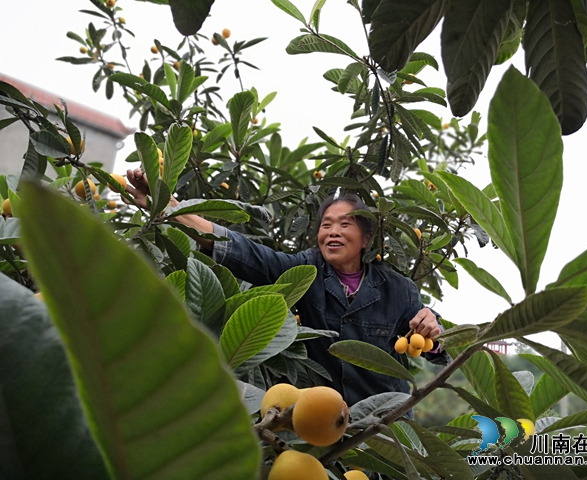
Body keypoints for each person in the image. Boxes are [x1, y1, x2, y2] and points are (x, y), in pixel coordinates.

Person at [125, 168, 450, 406]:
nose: (332, 232)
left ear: (366, 239)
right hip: (321, 425)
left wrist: (430, 327)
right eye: (326, 225)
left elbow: (435, 348)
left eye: (345, 224)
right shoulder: (305, 270)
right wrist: (168, 206)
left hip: (385, 426)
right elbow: (245, 251)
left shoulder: (398, 289)